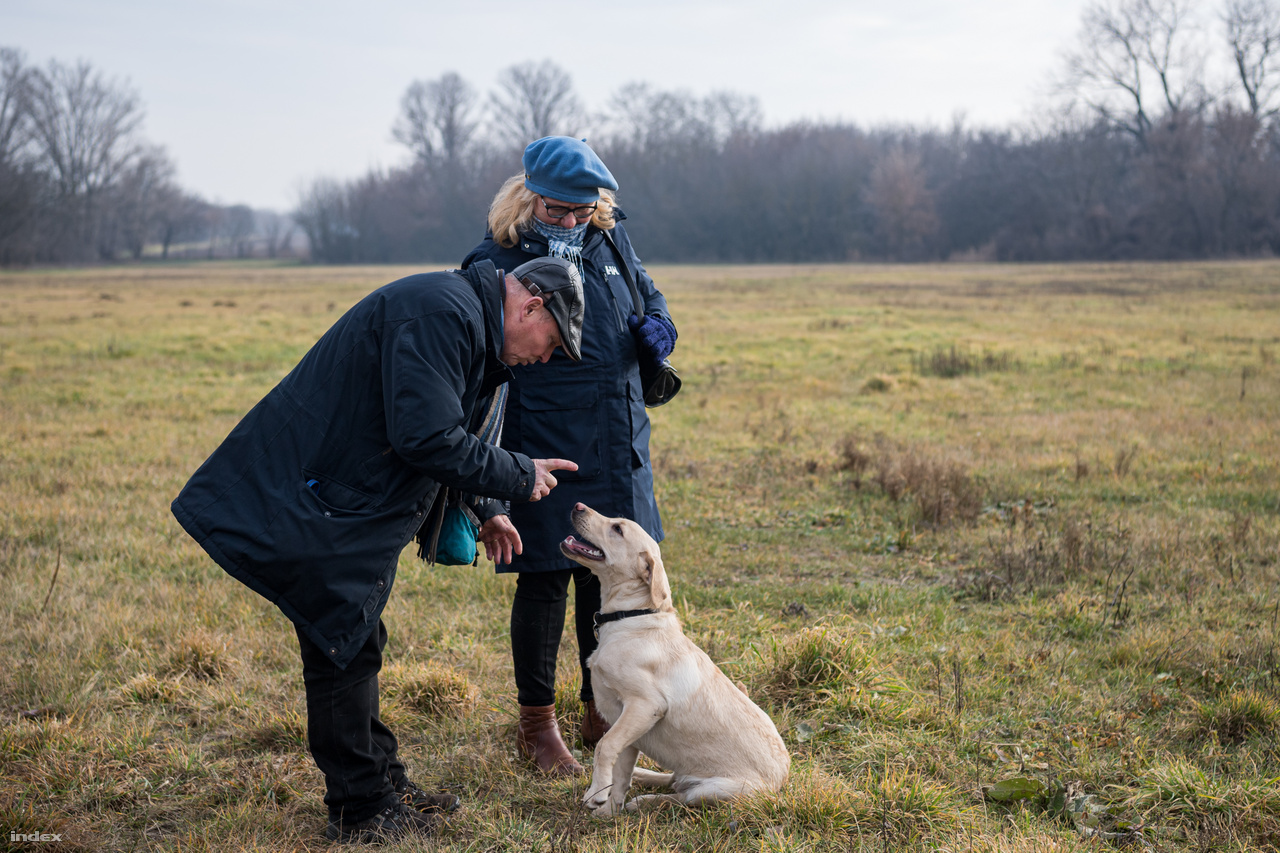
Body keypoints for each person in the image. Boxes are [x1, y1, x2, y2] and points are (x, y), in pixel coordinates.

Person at [171, 257, 584, 844]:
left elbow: (444, 427)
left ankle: (381, 778)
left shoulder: (461, 316)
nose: (543, 358)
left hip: (338, 497)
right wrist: (517, 475)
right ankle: (361, 808)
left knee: (357, 637)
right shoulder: (444, 314)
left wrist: (487, 508)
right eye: (550, 344)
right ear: (531, 307)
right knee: (342, 645)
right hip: (319, 498)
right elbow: (426, 437)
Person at [462, 137, 678, 776]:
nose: (569, 222)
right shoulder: (495, 258)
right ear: (528, 197)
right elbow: (480, 349)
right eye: (558, 210)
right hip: (543, 437)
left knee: (606, 574)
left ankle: (598, 708)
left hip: (617, 436)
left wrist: (660, 326)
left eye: (582, 211)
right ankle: (537, 724)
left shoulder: (610, 243)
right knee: (544, 580)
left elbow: (649, 296)